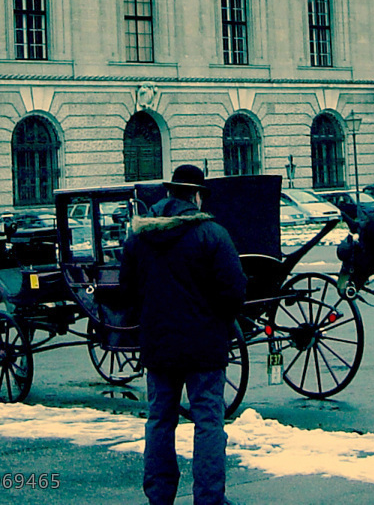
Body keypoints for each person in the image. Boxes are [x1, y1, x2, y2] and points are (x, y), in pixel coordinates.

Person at [119, 165, 247, 505]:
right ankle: (209, 499)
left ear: (170, 194)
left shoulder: (140, 236)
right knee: (208, 423)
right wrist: (218, 320)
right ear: (196, 196)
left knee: (160, 420)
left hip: (158, 345)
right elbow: (234, 291)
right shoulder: (212, 234)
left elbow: (126, 291)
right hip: (205, 347)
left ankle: (159, 497)